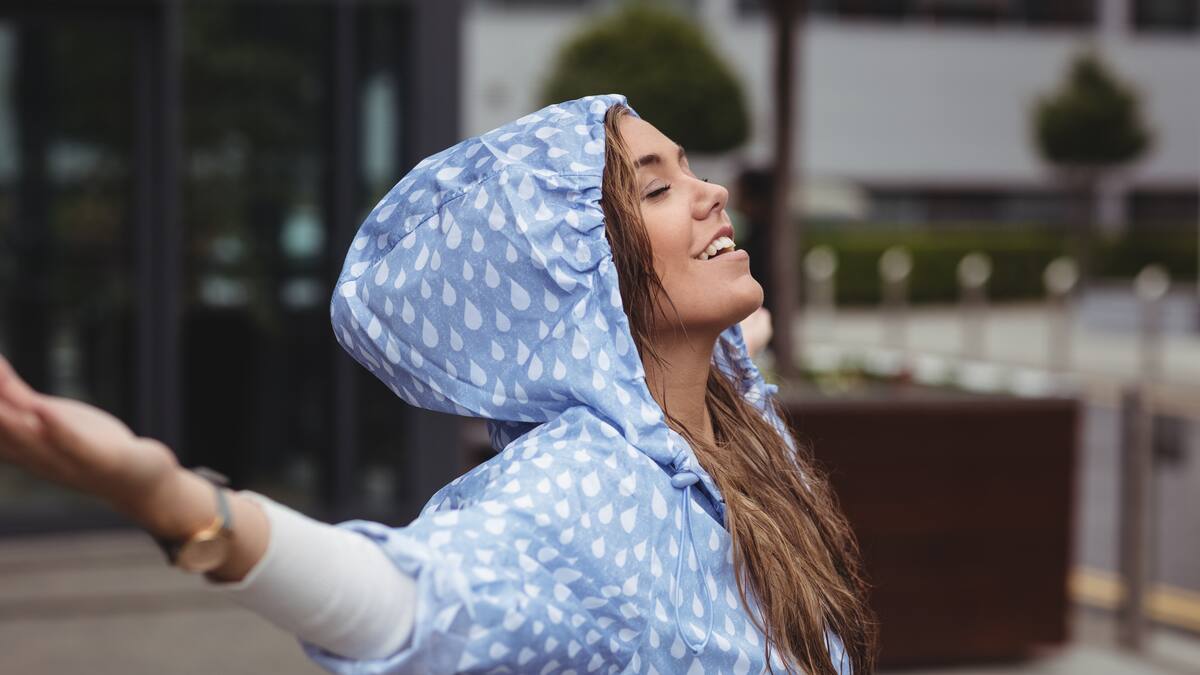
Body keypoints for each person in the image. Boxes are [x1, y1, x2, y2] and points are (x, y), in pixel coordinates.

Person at [0, 94, 874, 674]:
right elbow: (405, 604)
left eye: (689, 168)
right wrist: (182, 505)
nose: (711, 191)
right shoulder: (583, 486)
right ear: (577, 276)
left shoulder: (731, 433)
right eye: (656, 188)